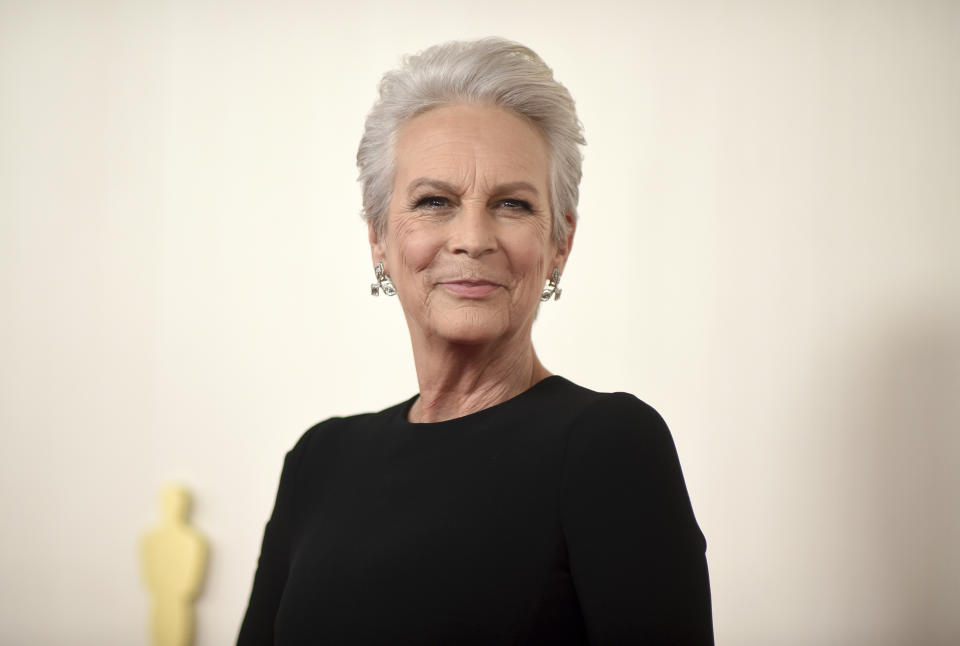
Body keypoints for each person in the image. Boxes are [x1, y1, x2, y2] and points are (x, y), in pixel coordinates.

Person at [237, 37, 713, 645]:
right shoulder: (317, 461)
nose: (472, 238)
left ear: (559, 243)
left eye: (512, 204)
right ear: (379, 236)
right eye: (434, 202)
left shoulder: (609, 445)